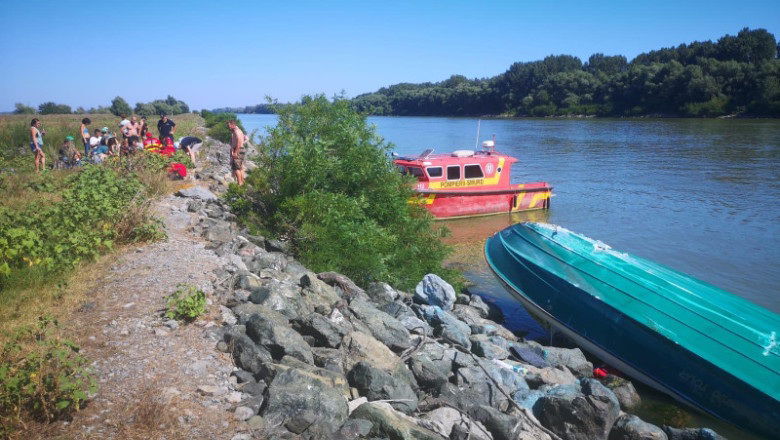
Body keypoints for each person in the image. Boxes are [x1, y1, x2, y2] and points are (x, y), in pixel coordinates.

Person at [228, 120, 246, 185]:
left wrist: (235, 152)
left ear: (233, 125)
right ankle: (242, 182)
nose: (228, 127)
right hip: (241, 149)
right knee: (240, 167)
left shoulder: (237, 131)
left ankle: (240, 183)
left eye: (229, 126)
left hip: (238, 150)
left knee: (236, 168)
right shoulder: (239, 131)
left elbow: (239, 142)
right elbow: (245, 138)